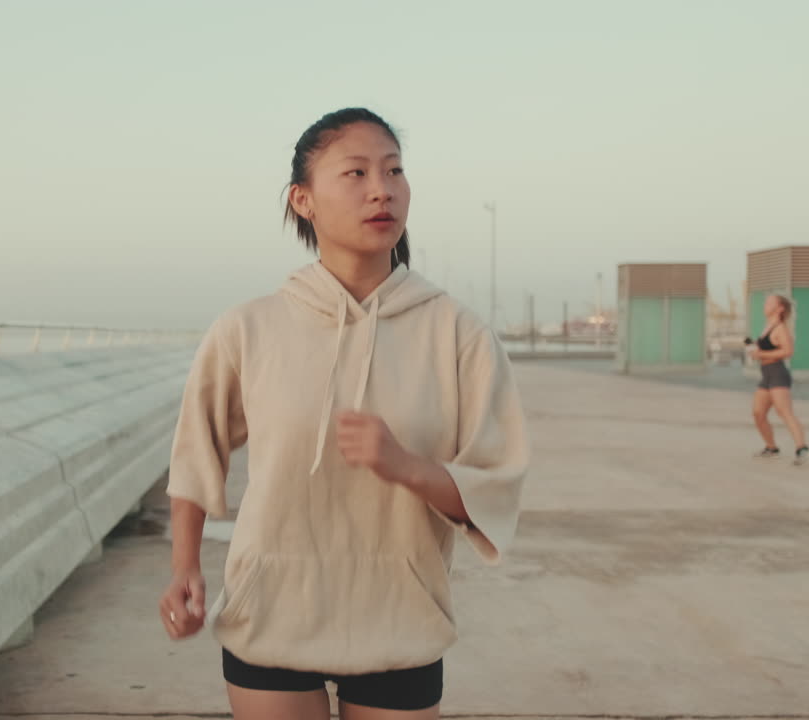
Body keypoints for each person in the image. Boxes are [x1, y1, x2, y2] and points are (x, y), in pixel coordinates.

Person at [158, 107, 530, 720]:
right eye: (356, 173)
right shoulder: (248, 328)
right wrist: (184, 567)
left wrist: (405, 466)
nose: (382, 189)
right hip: (270, 611)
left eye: (394, 171)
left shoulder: (458, 334)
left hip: (400, 619)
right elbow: (197, 452)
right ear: (302, 200)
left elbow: (495, 488)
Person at [750, 294, 809, 465]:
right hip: (766, 374)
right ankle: (771, 448)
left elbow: (788, 351)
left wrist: (761, 353)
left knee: (784, 411)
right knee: (758, 413)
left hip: (777, 373)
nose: (765, 304)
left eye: (770, 302)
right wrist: (755, 350)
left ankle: (802, 448)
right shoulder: (768, 326)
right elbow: (766, 348)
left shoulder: (780, 328)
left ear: (780, 308)